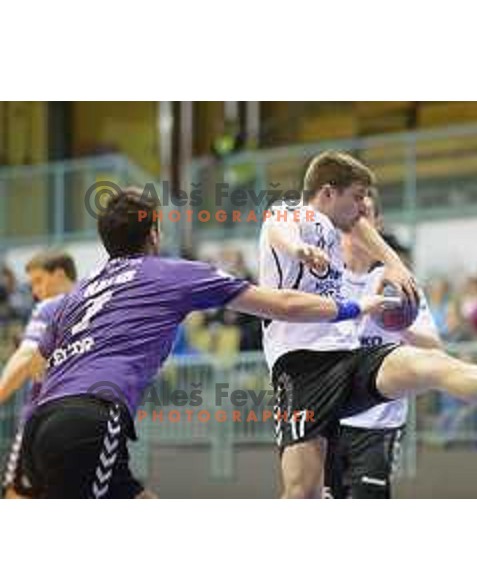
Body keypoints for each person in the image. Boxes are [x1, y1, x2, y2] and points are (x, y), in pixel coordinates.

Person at [4, 187, 388, 499]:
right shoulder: (171, 274)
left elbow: (38, 362)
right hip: (90, 420)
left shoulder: (78, 293)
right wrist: (353, 306)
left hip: (40, 423)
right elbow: (283, 303)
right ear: (154, 233)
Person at [259, 150, 477, 499]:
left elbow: (363, 227)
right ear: (329, 193)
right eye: (357, 197)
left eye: (366, 201)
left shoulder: (348, 224)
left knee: (431, 363)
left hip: (346, 360)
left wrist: (395, 264)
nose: (363, 208)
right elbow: (277, 231)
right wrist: (299, 249)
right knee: (302, 494)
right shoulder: (289, 214)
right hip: (301, 369)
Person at [323, 195, 441, 499]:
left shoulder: (398, 281)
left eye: (365, 214)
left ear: (377, 224)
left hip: (379, 423)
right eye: (350, 213)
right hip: (327, 421)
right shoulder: (324, 279)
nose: (356, 221)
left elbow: (434, 346)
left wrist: (397, 323)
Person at [0, 250, 77, 498]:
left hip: (41, 422)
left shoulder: (51, 306)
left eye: (38, 281)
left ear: (59, 274)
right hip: (88, 425)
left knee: (16, 496)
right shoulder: (96, 306)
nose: (35, 291)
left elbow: (25, 358)